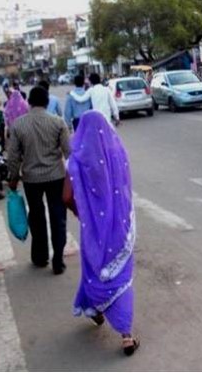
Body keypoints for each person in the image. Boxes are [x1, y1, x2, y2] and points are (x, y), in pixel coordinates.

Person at [62, 110, 140, 356]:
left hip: (93, 230)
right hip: (120, 227)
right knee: (121, 276)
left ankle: (95, 309)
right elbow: (126, 189)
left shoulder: (75, 161)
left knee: (95, 270)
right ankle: (127, 336)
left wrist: (82, 213)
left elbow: (65, 197)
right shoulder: (118, 153)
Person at [7, 86, 71, 274]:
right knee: (58, 216)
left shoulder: (18, 124)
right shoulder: (58, 122)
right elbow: (69, 152)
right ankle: (58, 260)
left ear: (30, 102)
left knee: (36, 216)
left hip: (31, 179)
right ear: (46, 102)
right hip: (56, 177)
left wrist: (12, 177)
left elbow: (13, 156)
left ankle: (40, 257)